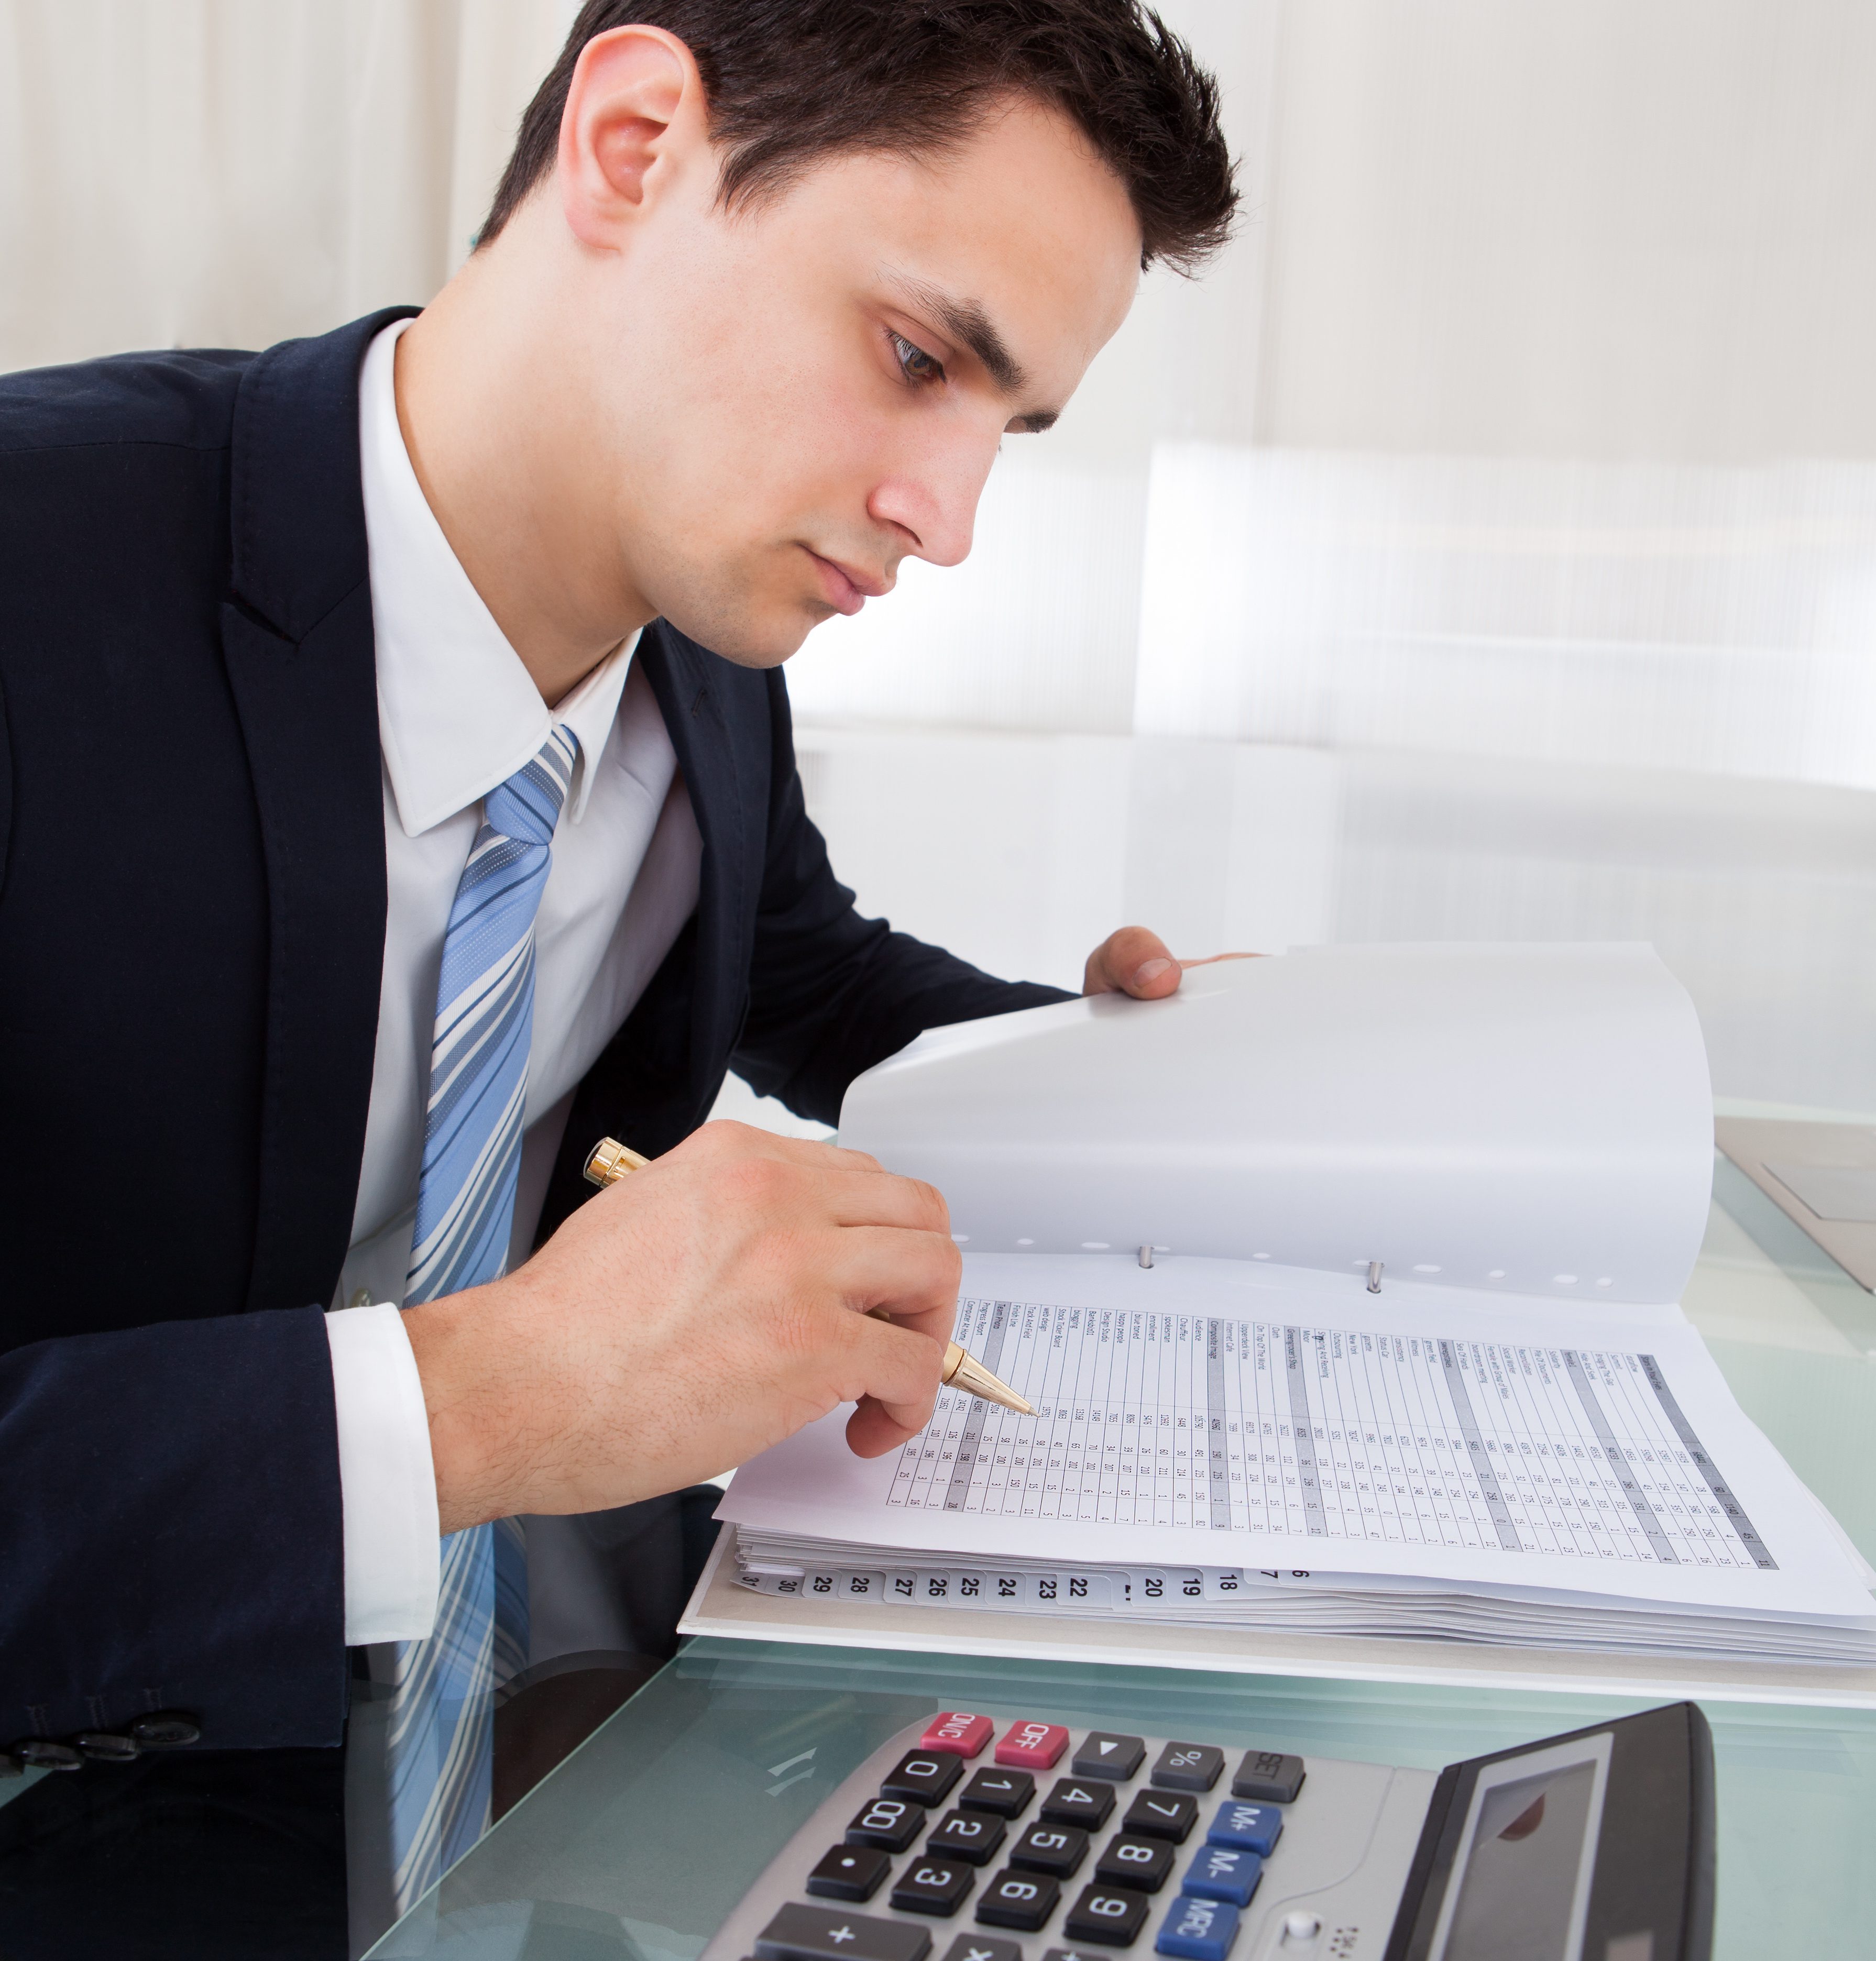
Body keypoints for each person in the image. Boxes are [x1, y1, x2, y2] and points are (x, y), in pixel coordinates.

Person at [0, 1, 1236, 1951]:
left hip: (566, 1748)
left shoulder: (709, 648)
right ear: (639, 141)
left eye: (1001, 428)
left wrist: (1100, 1056)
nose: (951, 519)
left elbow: (799, 969)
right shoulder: (37, 566)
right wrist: (485, 1403)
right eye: (917, 357)